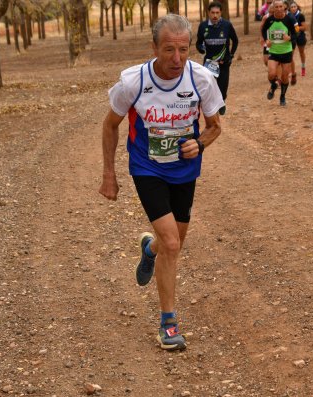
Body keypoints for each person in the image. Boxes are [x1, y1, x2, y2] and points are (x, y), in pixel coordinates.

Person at [99, 14, 224, 351]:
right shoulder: (133, 82)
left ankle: (148, 249)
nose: (177, 59)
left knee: (172, 243)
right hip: (147, 168)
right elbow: (110, 126)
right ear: (153, 47)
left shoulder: (201, 80)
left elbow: (215, 126)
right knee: (172, 243)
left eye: (183, 49)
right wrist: (109, 174)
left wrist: (200, 143)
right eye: (168, 50)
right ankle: (168, 323)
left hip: (185, 170)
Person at [196, 1, 239, 116]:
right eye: (212, 13)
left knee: (222, 86)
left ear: (221, 13)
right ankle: (212, 105)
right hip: (209, 63)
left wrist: (231, 55)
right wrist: (201, 49)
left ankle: (222, 100)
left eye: (217, 13)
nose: (215, 15)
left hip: (223, 61)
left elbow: (235, 41)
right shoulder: (203, 26)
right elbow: (199, 43)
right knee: (209, 85)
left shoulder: (227, 25)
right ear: (208, 13)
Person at [261, 0, 297, 106]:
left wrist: (289, 38)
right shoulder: (269, 19)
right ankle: (273, 85)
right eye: (276, 7)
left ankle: (282, 96)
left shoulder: (290, 19)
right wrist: (266, 39)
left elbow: (297, 32)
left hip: (286, 52)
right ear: (273, 8)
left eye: (281, 6)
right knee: (271, 74)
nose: (279, 9)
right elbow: (263, 30)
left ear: (284, 7)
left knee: (285, 77)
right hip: (273, 51)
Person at [289, 1, 307, 84]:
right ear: (289, 8)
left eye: (294, 7)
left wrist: (296, 28)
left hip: (300, 36)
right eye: (291, 7)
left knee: (301, 52)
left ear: (297, 7)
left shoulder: (300, 15)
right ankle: (292, 71)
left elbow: (304, 27)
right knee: (290, 55)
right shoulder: (288, 16)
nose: (293, 8)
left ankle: (303, 67)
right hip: (292, 37)